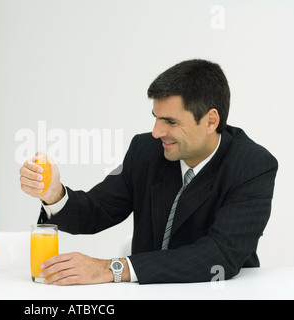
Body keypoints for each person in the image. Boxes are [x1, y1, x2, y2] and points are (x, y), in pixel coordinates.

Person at [19, 59, 278, 285]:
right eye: (155, 117)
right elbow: (98, 210)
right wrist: (55, 194)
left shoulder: (253, 165)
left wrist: (111, 269)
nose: (156, 132)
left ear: (211, 121)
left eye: (170, 121)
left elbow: (220, 254)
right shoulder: (145, 150)